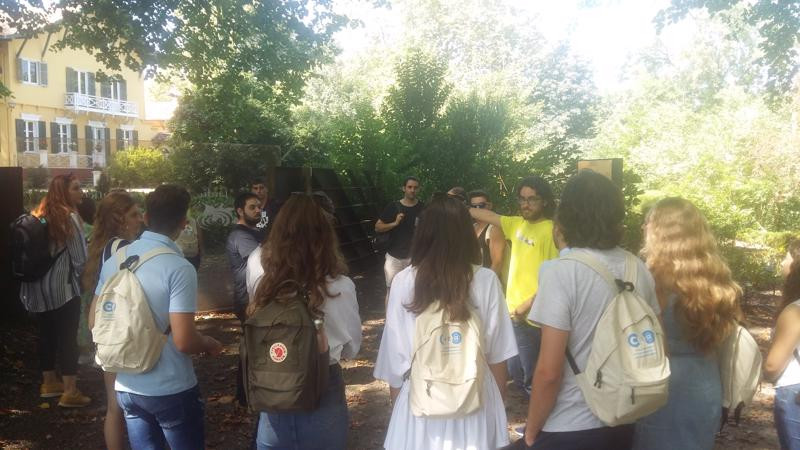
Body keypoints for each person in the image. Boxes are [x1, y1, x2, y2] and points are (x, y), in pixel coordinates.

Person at [518, 170, 659, 449]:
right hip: (623, 415)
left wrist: (531, 431)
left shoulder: (561, 272)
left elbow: (548, 372)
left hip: (569, 422)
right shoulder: (637, 268)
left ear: (566, 215)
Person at [374, 195, 518, 450]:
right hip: (476, 402)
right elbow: (498, 358)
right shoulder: (485, 281)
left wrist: (400, 416)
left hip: (420, 403)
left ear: (423, 233)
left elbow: (396, 362)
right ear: (466, 233)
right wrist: (495, 416)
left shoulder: (404, 282)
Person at [91, 184, 223, 449]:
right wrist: (209, 343)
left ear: (147, 219)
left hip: (127, 385)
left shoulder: (115, 260)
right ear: (185, 223)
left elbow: (95, 320)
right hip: (170, 385)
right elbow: (184, 340)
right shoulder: (179, 268)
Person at [246, 194, 362, 450]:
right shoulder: (341, 287)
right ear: (325, 236)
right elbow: (353, 348)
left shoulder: (262, 280)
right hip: (324, 386)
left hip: (273, 384)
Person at [633, 197, 742, 450]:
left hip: (662, 386)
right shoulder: (718, 280)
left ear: (660, 232)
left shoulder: (651, 278)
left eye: (647, 223)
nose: (643, 228)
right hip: (704, 384)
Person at [468, 176, 559, 395]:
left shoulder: (552, 231)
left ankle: (538, 426)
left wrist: (526, 305)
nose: (526, 204)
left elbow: (556, 278)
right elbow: (487, 215)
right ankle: (536, 423)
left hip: (536, 316)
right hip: (514, 314)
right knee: (518, 375)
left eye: (532, 199)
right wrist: (456, 208)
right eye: (522, 199)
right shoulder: (516, 224)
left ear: (544, 201)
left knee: (533, 377)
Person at [19, 174, 90, 408]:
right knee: (67, 338)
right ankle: (70, 391)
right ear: (64, 192)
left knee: (46, 335)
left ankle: (49, 383)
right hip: (64, 290)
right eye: (77, 188)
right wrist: (83, 279)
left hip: (36, 289)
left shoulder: (38, 215)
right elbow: (80, 259)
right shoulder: (69, 218)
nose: (82, 192)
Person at [81, 191, 144, 450]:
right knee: (133, 406)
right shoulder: (124, 249)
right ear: (119, 219)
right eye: (134, 214)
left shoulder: (100, 246)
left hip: (107, 331)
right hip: (124, 333)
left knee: (113, 407)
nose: (140, 219)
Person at [225, 192, 263, 407]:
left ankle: (247, 393)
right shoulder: (241, 236)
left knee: (253, 344)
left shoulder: (254, 233)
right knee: (250, 346)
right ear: (240, 211)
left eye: (259, 206)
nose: (257, 210)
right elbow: (261, 260)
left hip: (253, 297)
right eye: (252, 207)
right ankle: (245, 395)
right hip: (247, 300)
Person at [765, 239, 800, 449]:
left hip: (794, 393)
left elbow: (772, 365)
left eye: (786, 257)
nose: (782, 263)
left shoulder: (795, 311)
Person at [375, 176, 424, 304]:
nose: (412, 190)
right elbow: (378, 227)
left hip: (414, 258)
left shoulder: (423, 208)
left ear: (419, 189)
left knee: (414, 292)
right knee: (391, 291)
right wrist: (394, 223)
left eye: (415, 187)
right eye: (409, 187)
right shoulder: (393, 206)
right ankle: (390, 322)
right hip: (394, 258)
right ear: (404, 188)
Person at [467, 189, 506, 270]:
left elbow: (497, 264)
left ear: (490, 206)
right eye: (474, 206)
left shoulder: (494, 229)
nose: (477, 209)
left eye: (481, 205)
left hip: (486, 280)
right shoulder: (473, 227)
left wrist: (486, 282)